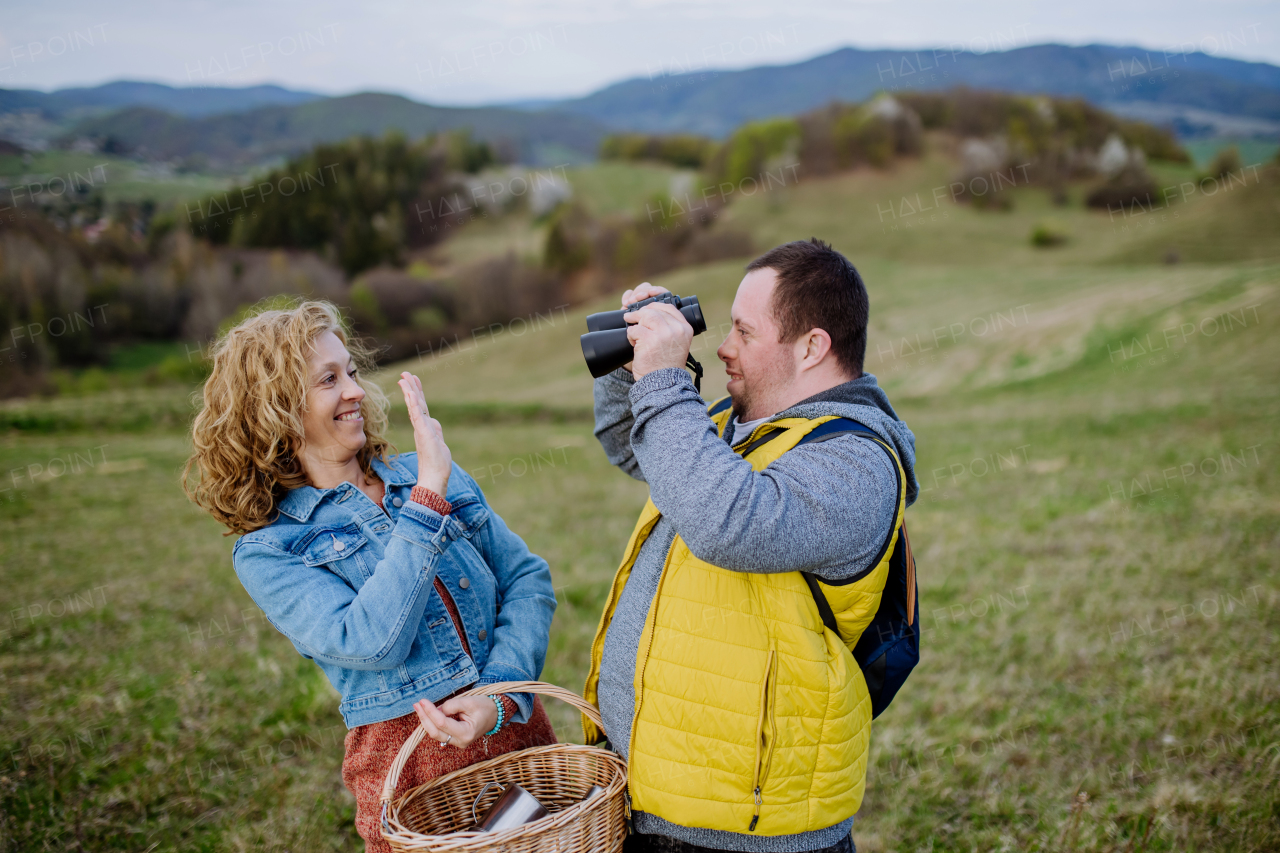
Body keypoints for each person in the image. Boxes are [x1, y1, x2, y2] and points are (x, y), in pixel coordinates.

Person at [183, 300, 558, 852]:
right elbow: (370, 641)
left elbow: (527, 579)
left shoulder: (422, 472)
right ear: (277, 408)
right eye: (328, 380)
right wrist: (427, 500)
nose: (355, 390)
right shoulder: (269, 550)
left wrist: (498, 696)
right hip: (412, 769)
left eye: (352, 372)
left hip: (512, 730)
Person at [584, 239, 920, 853]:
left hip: (742, 832)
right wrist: (633, 364)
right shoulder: (732, 427)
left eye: (743, 330)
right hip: (649, 794)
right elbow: (633, 444)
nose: (722, 346)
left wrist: (665, 381)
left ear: (812, 347)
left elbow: (726, 521)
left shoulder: (858, 462)